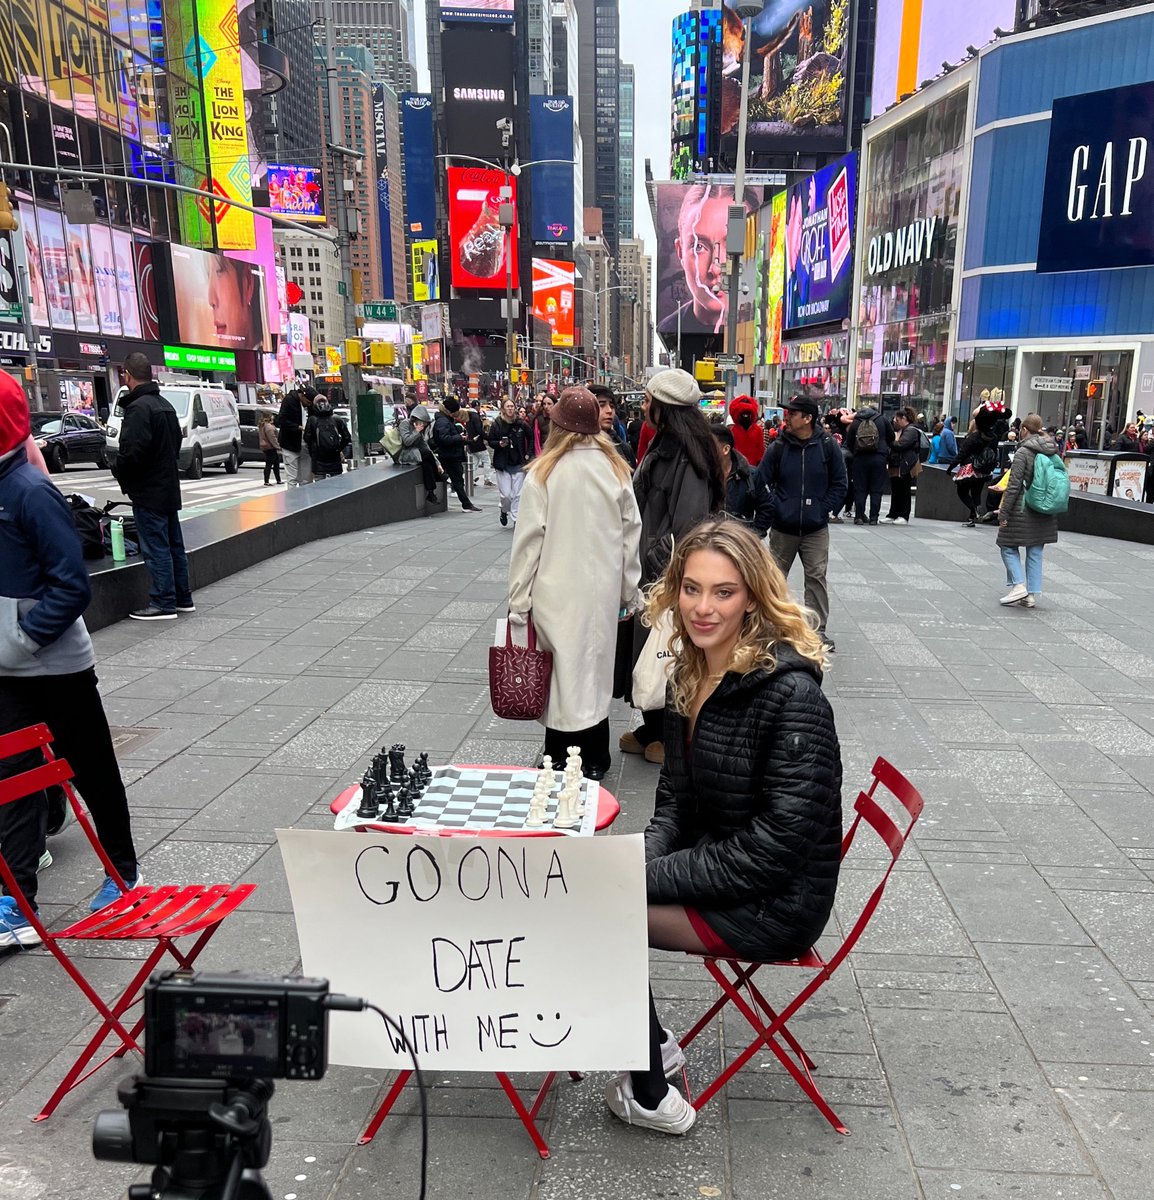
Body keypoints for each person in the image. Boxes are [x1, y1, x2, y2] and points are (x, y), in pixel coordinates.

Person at [604, 517, 842, 1135]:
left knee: (600, 911)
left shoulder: (792, 697)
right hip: (728, 869)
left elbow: (776, 848)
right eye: (691, 588)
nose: (702, 608)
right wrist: (642, 860)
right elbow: (676, 802)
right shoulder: (693, 669)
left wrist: (646, 877)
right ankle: (651, 1045)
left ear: (754, 596)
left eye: (723, 592)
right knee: (602, 887)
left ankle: (651, 1092)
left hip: (778, 901)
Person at [0, 372, 142, 946]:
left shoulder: (31, 492)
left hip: (56, 668)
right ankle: (15, 901)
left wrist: (22, 638)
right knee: (12, 780)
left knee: (92, 771)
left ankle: (123, 875)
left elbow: (71, 585)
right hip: (9, 671)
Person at [508, 387, 641, 779]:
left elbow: (528, 542)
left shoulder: (544, 473)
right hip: (601, 590)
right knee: (595, 670)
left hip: (554, 589)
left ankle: (558, 756)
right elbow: (631, 534)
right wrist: (627, 590)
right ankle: (596, 754)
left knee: (561, 674)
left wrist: (519, 599)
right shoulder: (615, 469)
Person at [625, 369, 725, 765]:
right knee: (649, 649)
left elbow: (690, 526)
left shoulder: (691, 456)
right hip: (651, 570)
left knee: (670, 652)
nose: (643, 405)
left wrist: (658, 559)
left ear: (665, 407)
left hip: (670, 573)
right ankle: (652, 726)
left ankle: (671, 734)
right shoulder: (663, 443)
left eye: (649, 400)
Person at [756, 396, 847, 652]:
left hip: (815, 529)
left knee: (816, 577)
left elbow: (840, 483)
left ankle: (817, 632)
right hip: (783, 528)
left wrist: (822, 508)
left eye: (793, 413)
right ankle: (770, 629)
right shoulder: (778, 447)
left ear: (807, 418)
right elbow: (761, 481)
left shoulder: (828, 446)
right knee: (775, 578)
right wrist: (777, 506)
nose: (787, 417)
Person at [110, 353, 194, 621]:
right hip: (168, 487)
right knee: (173, 547)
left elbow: (132, 453)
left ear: (127, 375)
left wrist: (119, 470)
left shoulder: (138, 409)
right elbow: (175, 448)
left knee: (156, 547)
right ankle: (182, 598)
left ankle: (163, 602)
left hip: (148, 490)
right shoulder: (165, 405)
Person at [656, 184, 759, 337]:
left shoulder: (771, 327)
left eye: (733, 244)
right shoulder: (670, 328)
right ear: (680, 252)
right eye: (699, 246)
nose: (715, 269)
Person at [997, 414, 1061, 608]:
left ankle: (1018, 585)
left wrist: (1004, 513)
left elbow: (1015, 485)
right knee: (1035, 551)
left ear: (1024, 429)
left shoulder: (1023, 452)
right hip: (1044, 508)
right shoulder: (1052, 450)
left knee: (1006, 545)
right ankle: (1031, 595)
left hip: (1022, 508)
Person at [710, 425, 772, 535]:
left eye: (710, 445)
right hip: (710, 543)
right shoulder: (702, 475)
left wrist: (753, 535)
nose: (705, 449)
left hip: (739, 544)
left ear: (725, 449)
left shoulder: (750, 475)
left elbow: (766, 508)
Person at [955, 400, 1004, 527]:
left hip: (970, 467)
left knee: (962, 491)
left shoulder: (974, 435)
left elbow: (963, 453)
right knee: (976, 492)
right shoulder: (992, 436)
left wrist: (952, 465)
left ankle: (974, 511)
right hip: (985, 469)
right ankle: (974, 514)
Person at [488, 397, 533, 527]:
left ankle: (516, 519)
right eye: (507, 406)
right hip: (503, 463)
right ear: (503, 408)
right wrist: (499, 444)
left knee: (517, 494)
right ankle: (504, 510)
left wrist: (527, 454)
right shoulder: (497, 423)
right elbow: (491, 440)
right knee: (506, 494)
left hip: (518, 462)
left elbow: (530, 438)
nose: (510, 409)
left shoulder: (521, 423)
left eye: (512, 406)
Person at [845, 404, 893, 525]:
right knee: (876, 489)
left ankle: (859, 516)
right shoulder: (882, 419)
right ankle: (873, 518)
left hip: (860, 458)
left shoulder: (856, 422)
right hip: (879, 458)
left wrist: (856, 451)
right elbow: (891, 437)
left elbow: (849, 441)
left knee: (860, 488)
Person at [432, 397, 482, 513]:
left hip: (451, 454)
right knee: (458, 480)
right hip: (450, 455)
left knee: (458, 480)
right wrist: (459, 437)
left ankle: (466, 504)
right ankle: (466, 504)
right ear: (450, 411)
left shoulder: (444, 420)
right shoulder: (443, 421)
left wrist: (466, 440)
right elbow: (444, 439)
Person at [882, 406, 920, 526]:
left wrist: (890, 442)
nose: (895, 423)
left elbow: (901, 445)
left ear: (904, 418)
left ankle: (903, 515)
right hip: (899, 464)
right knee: (897, 490)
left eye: (897, 421)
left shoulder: (911, 430)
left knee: (903, 490)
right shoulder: (903, 430)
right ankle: (893, 514)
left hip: (905, 465)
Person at [398, 404, 443, 504]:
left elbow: (424, 445)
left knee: (427, 464)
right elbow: (407, 442)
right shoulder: (405, 424)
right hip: (406, 454)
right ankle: (438, 477)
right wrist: (416, 431)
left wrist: (437, 463)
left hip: (419, 454)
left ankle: (431, 493)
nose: (424, 426)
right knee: (426, 455)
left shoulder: (421, 429)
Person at [305, 397, 351, 480]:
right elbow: (347, 437)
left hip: (318, 459)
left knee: (320, 486)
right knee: (337, 484)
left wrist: (313, 450)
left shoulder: (312, 420)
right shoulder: (337, 419)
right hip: (335, 458)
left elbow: (307, 438)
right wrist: (338, 448)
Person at [590, 383, 635, 467]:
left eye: (612, 406)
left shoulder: (624, 449)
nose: (609, 410)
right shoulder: (578, 448)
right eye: (601, 405)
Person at [276, 387, 314, 486]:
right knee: (292, 479)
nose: (309, 405)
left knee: (307, 479)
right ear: (302, 396)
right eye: (308, 402)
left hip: (305, 444)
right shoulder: (289, 400)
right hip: (290, 444)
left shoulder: (309, 406)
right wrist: (298, 427)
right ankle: (294, 500)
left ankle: (306, 499)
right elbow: (281, 420)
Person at [728, 394, 765, 467]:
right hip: (737, 468)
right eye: (743, 414)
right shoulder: (733, 431)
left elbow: (760, 451)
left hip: (754, 468)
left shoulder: (758, 430)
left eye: (748, 414)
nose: (745, 416)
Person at [464, 402, 494, 487]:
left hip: (471, 442)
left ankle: (471, 479)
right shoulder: (475, 416)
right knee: (487, 460)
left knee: (475, 462)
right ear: (477, 406)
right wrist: (487, 437)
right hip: (478, 443)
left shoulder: (468, 416)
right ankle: (487, 479)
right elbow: (479, 430)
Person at [257, 411, 281, 486]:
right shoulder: (269, 427)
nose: (273, 417)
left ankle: (277, 479)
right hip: (270, 447)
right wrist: (278, 446)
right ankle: (268, 481)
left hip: (265, 446)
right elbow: (272, 438)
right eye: (272, 416)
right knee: (270, 463)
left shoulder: (262, 425)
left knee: (274, 463)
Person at [530, 392, 553, 457]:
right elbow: (536, 440)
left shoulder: (559, 418)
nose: (546, 406)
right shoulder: (537, 419)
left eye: (549, 404)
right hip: (543, 454)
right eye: (544, 404)